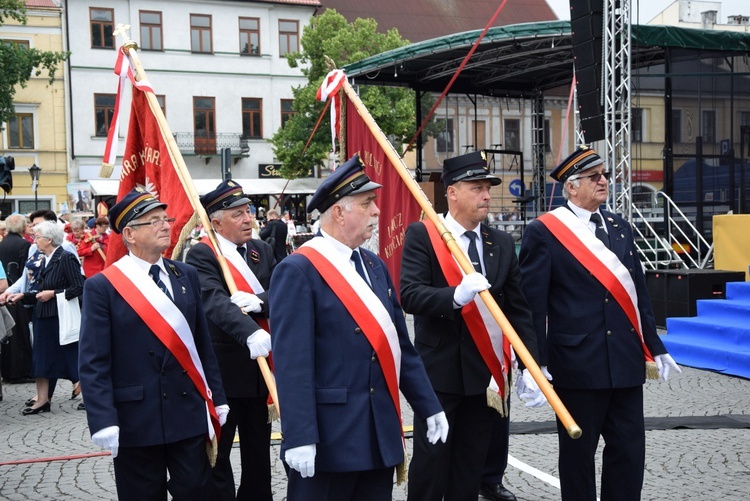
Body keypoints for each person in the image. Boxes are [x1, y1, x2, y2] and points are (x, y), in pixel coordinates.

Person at [270, 155, 448, 500]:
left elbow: (399, 346)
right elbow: (293, 364)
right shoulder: (299, 270)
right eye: (367, 204)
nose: (377, 212)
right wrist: (300, 435)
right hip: (328, 438)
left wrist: (429, 404)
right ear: (339, 212)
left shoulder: (374, 266)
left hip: (377, 430)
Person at [518, 146, 681, 501]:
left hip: (623, 361)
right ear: (572, 186)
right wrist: (533, 362)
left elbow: (638, 294)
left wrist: (655, 346)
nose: (604, 181)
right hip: (576, 363)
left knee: (628, 451)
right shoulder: (545, 232)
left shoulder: (620, 227)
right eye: (595, 177)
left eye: (605, 174)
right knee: (578, 456)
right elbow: (533, 306)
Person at [400, 151, 539, 501]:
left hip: (484, 376)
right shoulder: (424, 235)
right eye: (477, 187)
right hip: (439, 373)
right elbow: (410, 295)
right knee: (432, 464)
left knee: (469, 466)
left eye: (488, 188)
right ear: (452, 192)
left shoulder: (501, 243)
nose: (487, 195)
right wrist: (455, 297)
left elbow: (519, 310)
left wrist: (532, 365)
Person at [78, 188, 228, 500]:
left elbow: (202, 344)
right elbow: (93, 361)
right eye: (154, 221)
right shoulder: (103, 287)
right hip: (136, 416)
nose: (166, 226)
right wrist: (103, 419)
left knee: (198, 491)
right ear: (129, 234)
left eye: (166, 218)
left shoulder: (184, 274)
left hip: (186, 409)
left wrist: (218, 396)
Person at [186, 180, 275, 500]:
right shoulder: (201, 255)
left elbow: (280, 288)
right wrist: (249, 331)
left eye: (248, 211)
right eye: (238, 214)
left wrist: (260, 302)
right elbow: (214, 302)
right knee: (218, 455)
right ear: (216, 222)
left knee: (258, 454)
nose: (248, 219)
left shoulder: (261, 250)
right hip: (224, 371)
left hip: (261, 369)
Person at [5, 221, 84, 415]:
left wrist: (54, 294)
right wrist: (23, 295)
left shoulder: (65, 257)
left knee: (68, 358)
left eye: (37, 237)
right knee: (40, 359)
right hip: (42, 315)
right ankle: (42, 400)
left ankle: (87, 392)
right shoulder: (43, 258)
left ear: (49, 239)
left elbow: (79, 287)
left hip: (59, 317)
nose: (34, 240)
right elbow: (40, 290)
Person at [0, 214, 33, 384]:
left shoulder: (2, 243)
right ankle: (21, 371)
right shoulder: (24, 244)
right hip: (17, 294)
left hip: (4, 295)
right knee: (20, 334)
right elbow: (26, 272)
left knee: (7, 335)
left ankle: (7, 371)